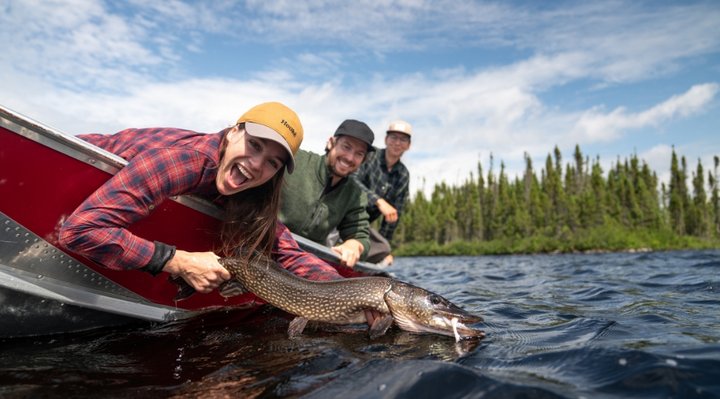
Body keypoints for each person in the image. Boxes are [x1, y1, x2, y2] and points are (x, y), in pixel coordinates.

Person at [59, 102, 344, 295]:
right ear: (233, 133)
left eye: (272, 163)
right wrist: (178, 260)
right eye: (254, 145)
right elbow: (79, 231)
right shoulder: (184, 161)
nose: (257, 164)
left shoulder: (254, 188)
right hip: (69, 156)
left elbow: (289, 254)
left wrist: (359, 295)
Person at [279, 119, 375, 268]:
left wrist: (354, 245)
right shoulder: (296, 160)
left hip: (304, 261)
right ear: (331, 143)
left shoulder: (356, 195)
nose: (350, 157)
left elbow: (360, 236)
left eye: (359, 154)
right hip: (264, 241)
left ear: (364, 160)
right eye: (346, 147)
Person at [352, 120, 412, 265]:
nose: (397, 143)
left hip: (362, 227)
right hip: (343, 213)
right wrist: (379, 201)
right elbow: (352, 181)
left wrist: (385, 251)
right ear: (386, 139)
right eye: (393, 138)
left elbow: (393, 217)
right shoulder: (370, 156)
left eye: (403, 139)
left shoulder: (403, 174)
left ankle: (359, 256)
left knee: (384, 247)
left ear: (408, 145)